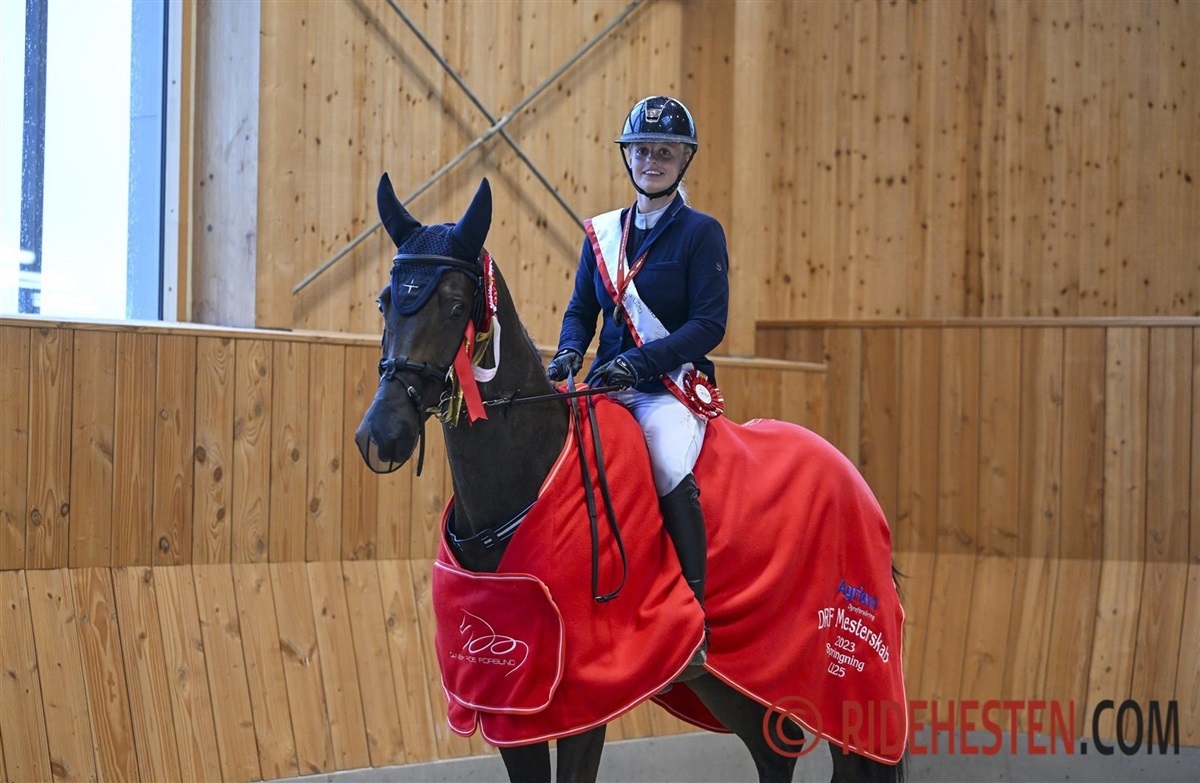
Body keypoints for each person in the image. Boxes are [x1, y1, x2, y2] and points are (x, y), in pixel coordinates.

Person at [547, 95, 729, 665]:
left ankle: (694, 619)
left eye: (665, 152)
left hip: (667, 387)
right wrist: (568, 351)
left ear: (684, 159)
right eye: (642, 150)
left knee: (669, 464)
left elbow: (709, 324)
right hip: (606, 384)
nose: (652, 161)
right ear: (628, 156)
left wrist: (641, 363)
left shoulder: (701, 233)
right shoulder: (604, 234)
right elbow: (581, 310)